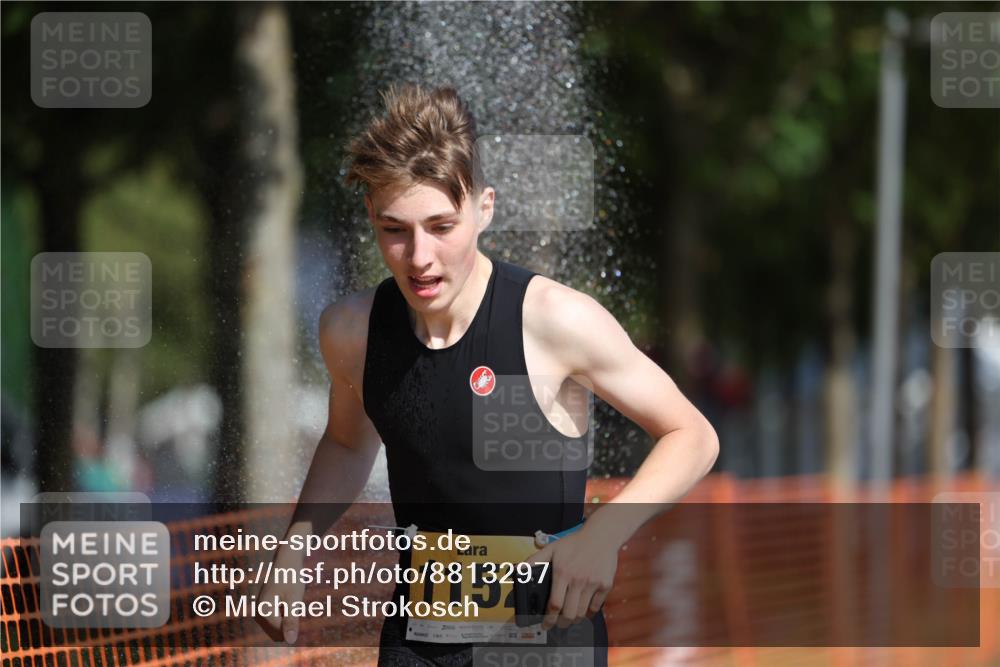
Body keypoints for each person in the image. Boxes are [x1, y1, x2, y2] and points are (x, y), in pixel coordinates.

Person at [257, 84, 719, 666]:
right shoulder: (352, 331)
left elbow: (693, 435)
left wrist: (601, 537)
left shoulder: (555, 321)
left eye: (441, 226)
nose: (419, 256)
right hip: (419, 637)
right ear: (371, 217)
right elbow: (349, 442)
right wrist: (295, 550)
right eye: (394, 230)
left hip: (544, 640)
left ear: (485, 208)